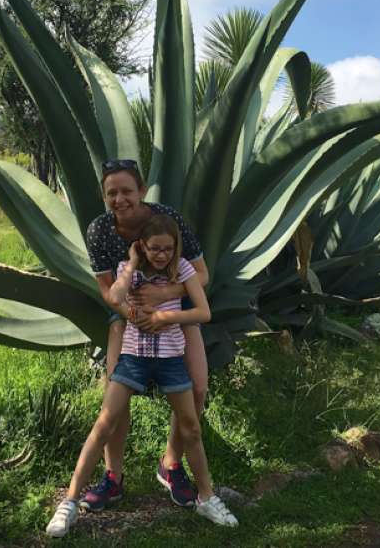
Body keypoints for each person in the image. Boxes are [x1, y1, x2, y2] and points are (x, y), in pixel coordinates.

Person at [46, 215, 237, 537]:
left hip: (170, 360)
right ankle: (70, 502)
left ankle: (207, 497)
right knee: (104, 424)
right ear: (142, 247)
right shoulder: (128, 270)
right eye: (153, 249)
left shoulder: (184, 271)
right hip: (133, 359)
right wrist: (133, 264)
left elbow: (203, 312)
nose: (161, 255)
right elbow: (116, 297)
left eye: (167, 249)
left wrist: (165, 315)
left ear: (175, 248)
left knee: (190, 428)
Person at [81, 159, 209, 511]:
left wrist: (166, 298)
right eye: (112, 193)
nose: (120, 199)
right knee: (115, 390)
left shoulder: (168, 219)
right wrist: (135, 315)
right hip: (127, 316)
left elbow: (202, 274)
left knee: (197, 387)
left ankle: (171, 465)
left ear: (141, 191)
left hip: (177, 311)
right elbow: (107, 289)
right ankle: (113, 476)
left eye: (127, 191)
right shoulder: (99, 230)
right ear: (104, 196)